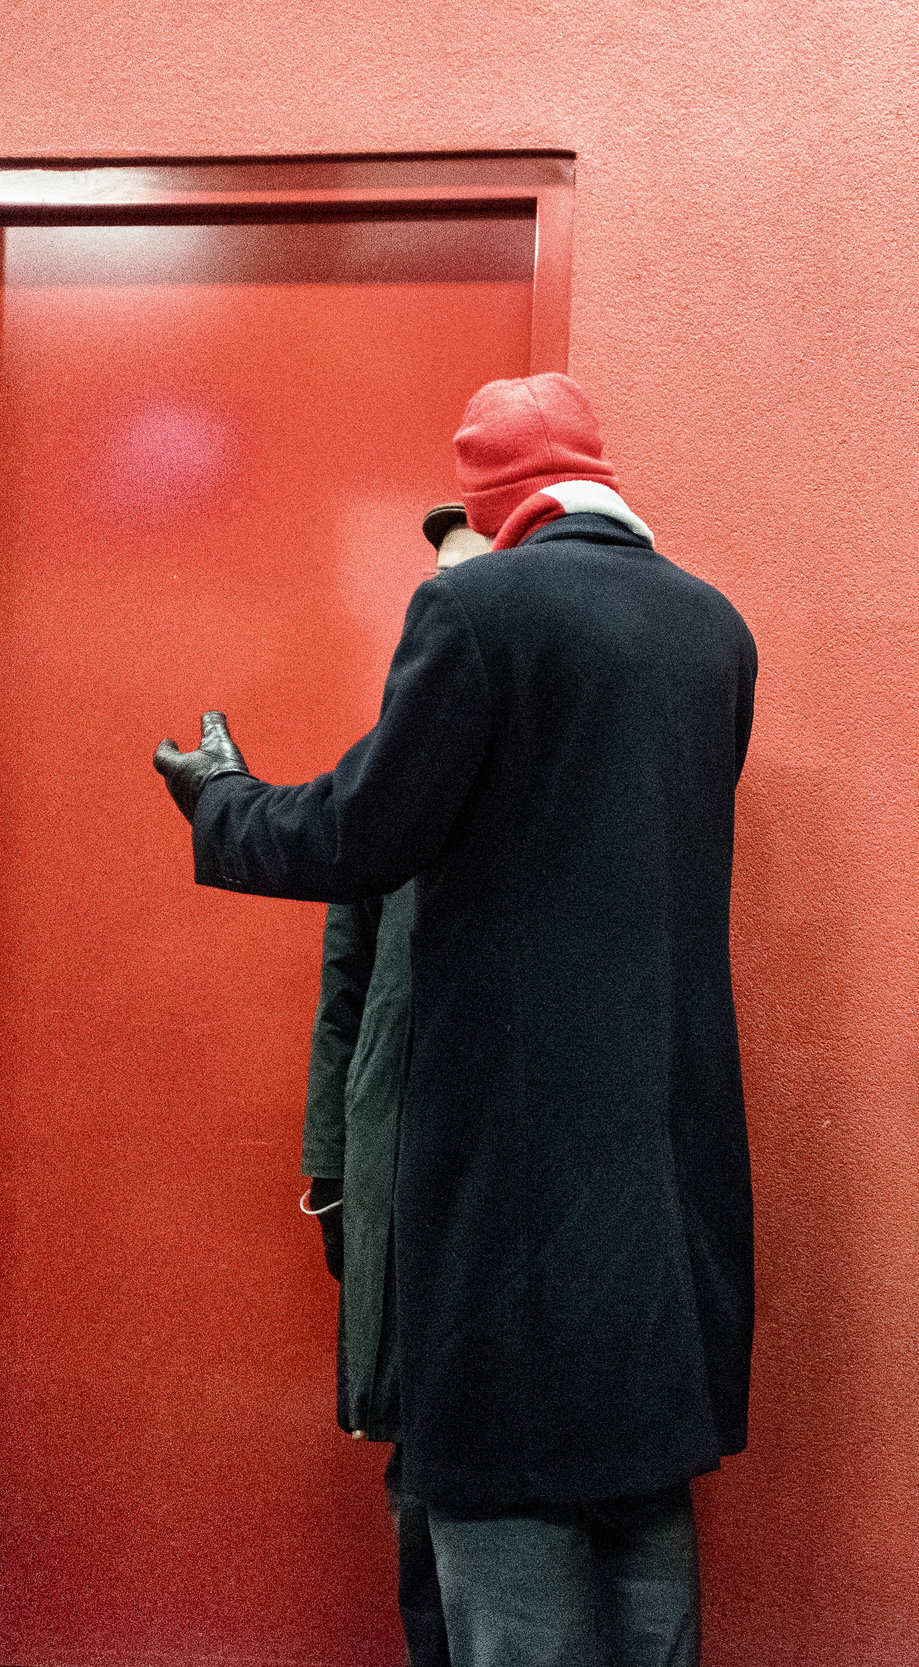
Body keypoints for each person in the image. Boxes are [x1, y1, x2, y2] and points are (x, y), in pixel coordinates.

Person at [153, 372, 757, 1667]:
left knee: (505, 1541)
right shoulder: (715, 629)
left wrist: (221, 799)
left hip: (513, 1179)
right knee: (644, 1510)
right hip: (664, 1165)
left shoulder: (479, 608)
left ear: (493, 499)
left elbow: (365, 829)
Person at [296, 503, 491, 1667]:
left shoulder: (548, 778)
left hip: (500, 1178)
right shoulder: (387, 765)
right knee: (415, 1465)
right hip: (399, 1158)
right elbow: (344, 977)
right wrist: (330, 1167)